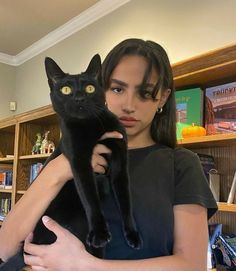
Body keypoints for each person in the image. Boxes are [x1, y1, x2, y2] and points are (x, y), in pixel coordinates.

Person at [0, 38, 217, 271]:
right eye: (117, 89)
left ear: (162, 98)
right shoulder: (68, 151)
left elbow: (192, 265)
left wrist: (85, 265)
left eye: (145, 93)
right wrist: (61, 168)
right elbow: (5, 247)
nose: (128, 105)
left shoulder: (181, 164)